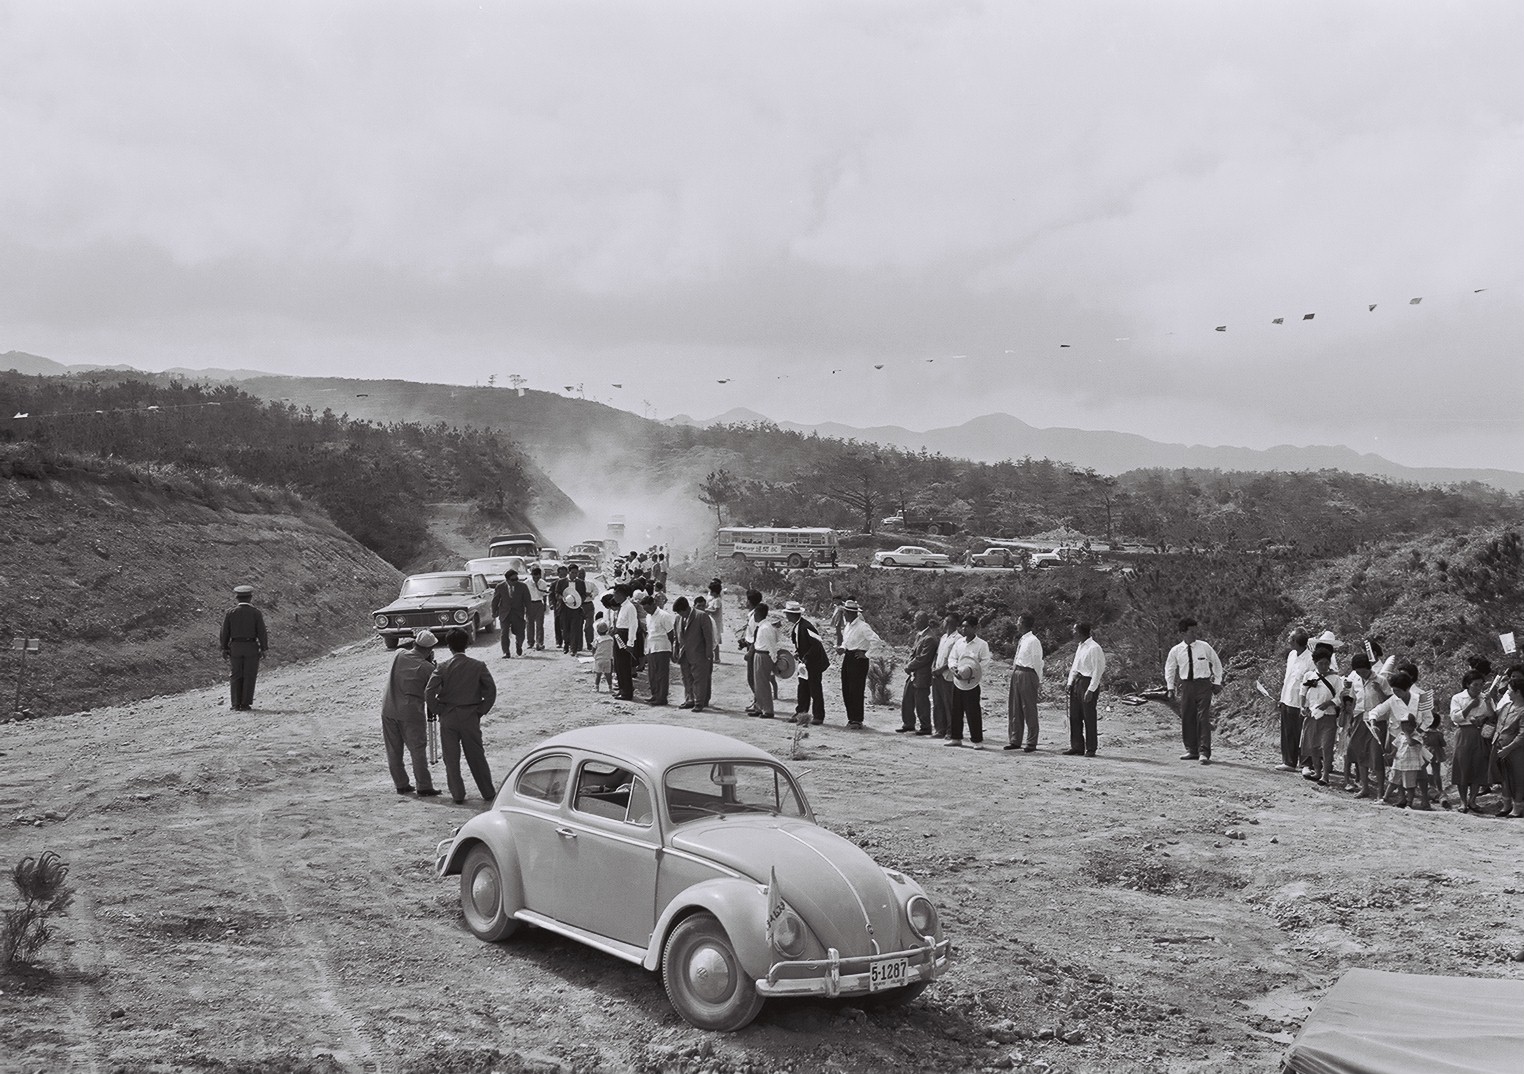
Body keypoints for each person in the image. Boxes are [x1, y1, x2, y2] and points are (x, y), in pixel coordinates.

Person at [425, 631, 498, 805]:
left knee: (451, 758)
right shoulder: (478, 666)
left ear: (449, 646)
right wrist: (480, 710)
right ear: (467, 644)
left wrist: (438, 709)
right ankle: (487, 792)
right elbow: (491, 691)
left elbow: (429, 692)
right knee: (476, 756)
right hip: (470, 716)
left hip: (448, 716)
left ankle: (458, 794)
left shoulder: (442, 667)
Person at [381, 630, 441, 797]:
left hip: (388, 708)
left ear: (415, 643)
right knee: (417, 750)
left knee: (393, 750)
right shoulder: (427, 667)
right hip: (410, 714)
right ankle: (424, 786)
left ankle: (401, 784)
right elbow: (436, 689)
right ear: (430, 649)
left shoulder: (399, 654)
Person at [1164, 617, 1223, 764]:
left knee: (1203, 717)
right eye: (1191, 631)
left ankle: (1204, 752)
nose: (1195, 634)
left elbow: (1216, 663)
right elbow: (1170, 669)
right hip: (1187, 686)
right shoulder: (1176, 651)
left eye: (1196, 630)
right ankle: (1192, 750)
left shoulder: (1204, 647)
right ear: (1183, 633)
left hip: (1203, 685)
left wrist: (1217, 682)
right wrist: (1170, 688)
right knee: (1187, 716)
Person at [1298, 644, 1347, 786]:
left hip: (1328, 716)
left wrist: (1329, 703)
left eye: (1326, 663)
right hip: (1312, 715)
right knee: (1313, 745)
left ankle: (1325, 775)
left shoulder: (1336, 679)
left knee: (1326, 746)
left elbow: (1340, 697)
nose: (1324, 666)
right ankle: (1317, 771)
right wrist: (1303, 707)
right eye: (1321, 663)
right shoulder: (1309, 676)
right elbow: (1303, 692)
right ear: (1315, 663)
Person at [1450, 664, 1496, 813]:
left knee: (1478, 766)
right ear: (1468, 684)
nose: (1478, 688)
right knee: (1463, 766)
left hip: (1480, 734)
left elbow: (1492, 715)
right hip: (1464, 734)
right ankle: (1462, 801)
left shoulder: (1485, 698)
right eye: (1475, 685)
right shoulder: (1458, 698)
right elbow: (1455, 717)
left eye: (1481, 685)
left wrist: (1487, 705)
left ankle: (1473, 800)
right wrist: (1470, 706)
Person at [945, 615, 992, 749]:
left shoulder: (981, 644)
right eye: (963, 626)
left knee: (973, 711)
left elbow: (985, 661)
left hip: (972, 682)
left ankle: (977, 740)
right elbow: (952, 657)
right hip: (958, 680)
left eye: (967, 626)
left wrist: (972, 671)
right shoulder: (959, 643)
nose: (964, 629)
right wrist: (954, 668)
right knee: (956, 710)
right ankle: (956, 737)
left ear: (974, 628)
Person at [220, 584, 268, 711]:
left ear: (237, 598)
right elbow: (261, 632)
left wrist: (224, 648)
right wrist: (264, 648)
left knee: (235, 674)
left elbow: (225, 632)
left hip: (235, 647)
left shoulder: (230, 613)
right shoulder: (256, 613)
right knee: (249, 674)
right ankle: (245, 703)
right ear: (250, 598)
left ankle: (235, 704)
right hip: (251, 647)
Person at [785, 601, 830, 726]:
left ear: (792, 614)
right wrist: (798, 653)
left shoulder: (807, 626)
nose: (786, 616)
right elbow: (800, 644)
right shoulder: (797, 627)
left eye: (787, 614)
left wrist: (807, 657)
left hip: (814, 663)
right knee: (803, 687)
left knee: (815, 689)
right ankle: (801, 712)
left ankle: (818, 716)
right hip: (804, 663)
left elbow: (817, 644)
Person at [836, 599, 879, 729]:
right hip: (848, 657)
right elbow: (846, 641)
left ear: (852, 613)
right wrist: (842, 648)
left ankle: (857, 719)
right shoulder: (848, 626)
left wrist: (866, 654)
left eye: (846, 613)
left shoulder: (863, 626)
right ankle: (851, 717)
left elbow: (876, 641)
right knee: (846, 688)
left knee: (856, 689)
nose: (844, 615)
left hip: (858, 659)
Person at [1065, 622, 1106, 757]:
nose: (1073, 633)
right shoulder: (1080, 646)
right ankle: (1077, 746)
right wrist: (1070, 682)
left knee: (1088, 716)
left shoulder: (1094, 648)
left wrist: (1091, 689)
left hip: (1087, 682)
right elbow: (1075, 667)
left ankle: (1091, 748)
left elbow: (1098, 670)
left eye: (1075, 631)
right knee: (1075, 716)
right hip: (1078, 681)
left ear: (1081, 632)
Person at [1006, 612, 1043, 752]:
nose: (1017, 624)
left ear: (1024, 623)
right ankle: (1015, 739)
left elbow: (1037, 662)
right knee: (1015, 707)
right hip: (1018, 672)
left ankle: (1031, 741)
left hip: (1028, 673)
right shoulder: (1023, 640)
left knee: (1029, 708)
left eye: (1018, 621)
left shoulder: (1033, 641)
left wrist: (1038, 680)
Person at [1277, 628, 1313, 772]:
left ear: (1297, 642)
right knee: (1287, 732)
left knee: (1302, 734)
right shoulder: (1291, 655)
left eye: (1291, 638)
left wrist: (1307, 704)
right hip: (1287, 698)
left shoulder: (1310, 659)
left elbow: (1311, 683)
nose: (1288, 640)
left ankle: (1306, 764)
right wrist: (1282, 698)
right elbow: (1288, 678)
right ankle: (1289, 761)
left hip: (1301, 702)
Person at [1489, 671, 1524, 819]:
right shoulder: (1507, 706)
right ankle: (1506, 805)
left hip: (1515, 750)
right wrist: (1487, 701)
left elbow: (1522, 734)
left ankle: (1517, 808)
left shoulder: (1522, 711)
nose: (1507, 693)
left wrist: (1508, 749)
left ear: (1517, 692)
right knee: (1504, 777)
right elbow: (1494, 717)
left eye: (1509, 690)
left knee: (1517, 778)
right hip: (1500, 747)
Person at [674, 596, 716, 712]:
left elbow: (708, 637)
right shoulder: (678, 618)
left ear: (686, 609)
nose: (679, 614)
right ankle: (689, 699)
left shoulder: (701, 616)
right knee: (686, 678)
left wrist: (708, 654)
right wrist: (675, 651)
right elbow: (675, 637)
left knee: (699, 679)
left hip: (699, 653)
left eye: (680, 612)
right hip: (684, 654)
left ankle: (699, 702)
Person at [898, 612, 937, 735]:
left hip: (922, 675)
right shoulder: (920, 635)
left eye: (916, 620)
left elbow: (923, 658)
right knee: (907, 699)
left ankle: (925, 726)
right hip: (914, 674)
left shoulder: (930, 638)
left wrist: (909, 666)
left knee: (921, 702)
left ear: (922, 621)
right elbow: (913, 653)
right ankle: (908, 724)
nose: (914, 622)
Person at [1386, 715, 1432, 810]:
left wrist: (1407, 733)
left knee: (1410, 785)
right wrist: (1390, 755)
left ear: (1413, 725)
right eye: (1402, 725)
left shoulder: (1417, 736)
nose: (1403, 727)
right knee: (1394, 782)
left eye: (1406, 725)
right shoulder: (1400, 735)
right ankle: (1386, 798)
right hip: (1399, 763)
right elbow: (1396, 747)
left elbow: (1411, 743)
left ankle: (1409, 803)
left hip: (1411, 765)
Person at [643, 594, 677, 706]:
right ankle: (655, 695)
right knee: (652, 674)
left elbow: (671, 633)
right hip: (651, 647)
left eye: (648, 608)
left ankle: (662, 697)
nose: (646, 611)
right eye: (644, 609)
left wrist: (672, 649)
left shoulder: (664, 615)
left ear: (653, 604)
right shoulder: (648, 616)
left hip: (662, 647)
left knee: (662, 674)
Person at [930, 612, 959, 739]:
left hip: (947, 675)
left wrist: (941, 669)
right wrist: (934, 667)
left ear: (948, 623)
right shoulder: (943, 637)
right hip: (937, 675)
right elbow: (937, 654)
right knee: (938, 703)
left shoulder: (958, 639)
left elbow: (954, 658)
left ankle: (950, 730)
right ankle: (939, 729)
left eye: (944, 621)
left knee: (949, 704)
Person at [750, 604, 782, 719]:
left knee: (763, 683)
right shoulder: (762, 626)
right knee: (758, 683)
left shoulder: (766, 628)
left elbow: (772, 646)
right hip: (758, 654)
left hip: (764, 656)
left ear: (758, 614)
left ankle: (768, 710)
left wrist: (774, 661)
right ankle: (759, 707)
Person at [492, 569, 530, 658]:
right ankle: (506, 652)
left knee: (520, 633)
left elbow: (527, 601)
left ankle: (519, 644)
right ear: (507, 580)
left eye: (517, 579)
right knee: (504, 633)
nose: (515, 581)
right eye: (513, 580)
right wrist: (494, 612)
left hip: (518, 613)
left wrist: (529, 612)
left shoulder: (523, 586)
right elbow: (495, 600)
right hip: (505, 613)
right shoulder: (500, 587)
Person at [611, 584, 639, 701]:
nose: (614, 597)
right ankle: (622, 689)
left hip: (625, 636)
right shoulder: (622, 607)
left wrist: (630, 642)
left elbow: (633, 625)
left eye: (616, 594)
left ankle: (627, 692)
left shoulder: (630, 607)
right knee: (618, 664)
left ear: (622, 595)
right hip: (618, 634)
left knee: (624, 665)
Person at [524, 565, 548, 651]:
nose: (536, 579)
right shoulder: (526, 583)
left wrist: (545, 605)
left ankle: (540, 643)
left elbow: (545, 595)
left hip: (539, 604)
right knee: (529, 624)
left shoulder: (543, 583)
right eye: (535, 577)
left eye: (538, 577)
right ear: (532, 575)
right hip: (530, 604)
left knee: (539, 624)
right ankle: (530, 642)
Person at [549, 565, 571, 651]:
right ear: (558, 574)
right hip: (558, 606)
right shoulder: (554, 583)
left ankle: (568, 641)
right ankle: (559, 641)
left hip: (569, 607)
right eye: (561, 574)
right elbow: (551, 595)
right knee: (558, 624)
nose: (563, 576)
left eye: (565, 574)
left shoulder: (570, 583)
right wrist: (551, 604)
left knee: (568, 624)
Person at [592, 622, 615, 692]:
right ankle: (610, 687)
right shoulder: (611, 639)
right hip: (608, 658)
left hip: (599, 659)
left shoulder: (597, 639)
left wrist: (594, 655)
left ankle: (596, 687)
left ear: (597, 631)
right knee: (608, 674)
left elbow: (594, 648)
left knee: (598, 674)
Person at [706, 579, 724, 663]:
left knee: (715, 640)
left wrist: (707, 610)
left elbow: (716, 611)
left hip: (716, 622)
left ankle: (717, 658)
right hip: (713, 621)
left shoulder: (717, 600)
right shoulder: (714, 600)